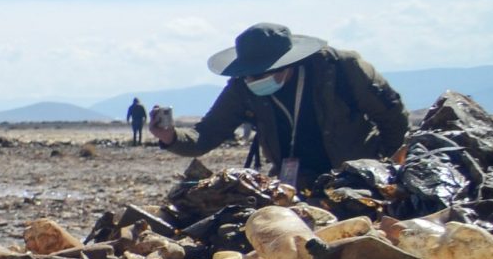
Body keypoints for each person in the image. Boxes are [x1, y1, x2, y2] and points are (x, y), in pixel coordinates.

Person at [155, 21, 408, 186]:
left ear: (288, 64)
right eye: (248, 74)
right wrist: (171, 136)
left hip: (356, 177)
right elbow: (206, 134)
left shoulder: (341, 70)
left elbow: (392, 116)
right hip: (294, 184)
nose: (253, 80)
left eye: (261, 73)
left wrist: (385, 166)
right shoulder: (243, 86)